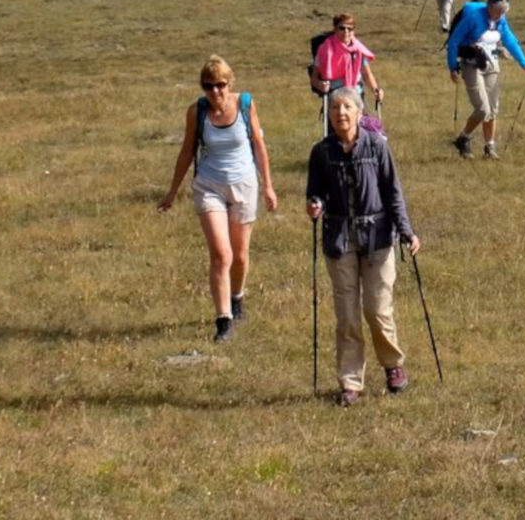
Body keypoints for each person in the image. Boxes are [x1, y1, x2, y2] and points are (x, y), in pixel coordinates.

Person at [307, 86, 420, 405]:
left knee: (377, 309)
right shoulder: (321, 152)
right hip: (340, 240)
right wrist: (314, 205)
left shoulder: (377, 147)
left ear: (359, 113)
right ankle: (350, 381)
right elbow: (314, 192)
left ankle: (393, 366)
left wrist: (407, 232)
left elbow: (393, 192)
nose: (340, 113)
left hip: (378, 239)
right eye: (335, 108)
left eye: (347, 108)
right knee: (346, 315)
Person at [157, 54, 279, 343]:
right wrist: (172, 191)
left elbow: (259, 147)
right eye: (208, 86)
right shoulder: (196, 112)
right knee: (221, 255)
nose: (215, 92)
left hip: (244, 186)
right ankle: (223, 319)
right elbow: (187, 151)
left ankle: (237, 297)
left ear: (230, 83)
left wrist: (268, 186)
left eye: (220, 85)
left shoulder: (246, 105)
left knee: (239, 256)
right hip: (209, 186)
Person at [444, 0, 525, 159]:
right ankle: (463, 138)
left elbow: (510, 40)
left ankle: (489, 147)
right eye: (498, 12)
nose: (500, 16)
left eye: (503, 13)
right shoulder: (473, 18)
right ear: (490, 7)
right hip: (471, 65)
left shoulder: (501, 20)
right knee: (482, 109)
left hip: (492, 64)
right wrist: (452, 67)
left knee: (493, 109)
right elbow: (454, 41)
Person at [313, 13, 383, 116]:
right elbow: (314, 77)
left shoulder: (358, 49)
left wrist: (376, 90)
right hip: (335, 98)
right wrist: (320, 85)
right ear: (335, 29)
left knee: (360, 129)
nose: (346, 32)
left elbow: (367, 74)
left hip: (356, 95)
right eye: (342, 28)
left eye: (350, 29)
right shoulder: (325, 49)